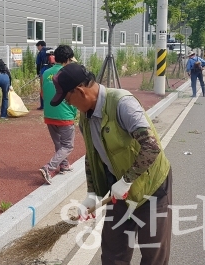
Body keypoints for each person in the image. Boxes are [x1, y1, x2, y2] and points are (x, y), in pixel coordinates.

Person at [50, 63, 172, 265]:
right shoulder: (86, 117)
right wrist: (92, 194)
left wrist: (126, 181)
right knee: (113, 252)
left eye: (69, 100)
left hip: (151, 186)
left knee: (153, 252)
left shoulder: (123, 104)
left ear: (80, 91)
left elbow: (151, 147)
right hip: (120, 187)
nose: (70, 105)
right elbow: (92, 155)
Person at [39, 45, 77, 184]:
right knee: (68, 145)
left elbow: (42, 93)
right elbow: (75, 95)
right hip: (65, 114)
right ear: (68, 59)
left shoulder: (45, 73)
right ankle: (48, 168)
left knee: (59, 144)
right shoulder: (69, 73)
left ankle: (64, 165)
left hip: (49, 114)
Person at [35, 40, 50, 110]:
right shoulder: (51, 51)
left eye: (38, 47)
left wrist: (38, 73)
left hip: (44, 70)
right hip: (52, 70)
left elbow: (38, 64)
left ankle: (42, 105)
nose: (38, 48)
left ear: (40, 45)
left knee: (42, 88)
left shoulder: (41, 53)